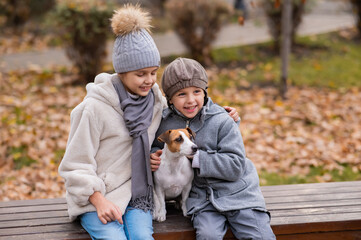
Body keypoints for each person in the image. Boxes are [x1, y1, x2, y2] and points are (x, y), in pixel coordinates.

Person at [58, 5, 239, 240]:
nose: (149, 80)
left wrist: (224, 113)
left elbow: (183, 111)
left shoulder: (154, 100)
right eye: (141, 74)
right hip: (98, 197)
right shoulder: (92, 109)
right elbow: (75, 166)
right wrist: (99, 200)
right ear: (122, 71)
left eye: (153, 72)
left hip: (139, 195)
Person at [151, 57, 276, 240]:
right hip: (202, 201)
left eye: (196, 91)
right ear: (169, 99)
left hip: (239, 195)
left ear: (205, 92)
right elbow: (154, 146)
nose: (191, 100)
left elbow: (236, 165)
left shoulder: (221, 120)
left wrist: (198, 158)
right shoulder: (164, 124)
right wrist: (152, 156)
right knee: (208, 235)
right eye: (181, 94)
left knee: (259, 236)